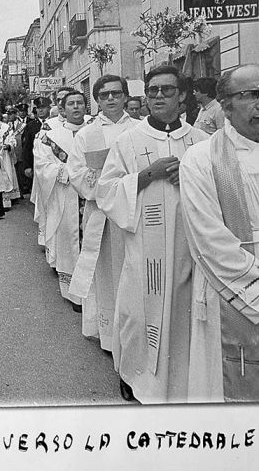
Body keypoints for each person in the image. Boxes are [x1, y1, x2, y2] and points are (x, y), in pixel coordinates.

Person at [97, 64, 209, 403]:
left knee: (184, 315)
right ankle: (133, 375)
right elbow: (106, 191)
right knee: (136, 312)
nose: (158, 96)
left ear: (183, 95)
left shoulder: (201, 141)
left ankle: (183, 381)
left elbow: (218, 190)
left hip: (192, 246)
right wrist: (149, 173)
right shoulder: (128, 140)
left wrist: (189, 178)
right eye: (152, 91)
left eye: (167, 90)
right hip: (145, 246)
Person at [179, 64, 259, 402]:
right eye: (250, 95)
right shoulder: (201, 160)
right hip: (233, 290)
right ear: (224, 106)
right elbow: (210, 241)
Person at [68, 75, 138, 351]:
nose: (111, 99)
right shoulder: (86, 134)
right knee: (108, 272)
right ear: (96, 100)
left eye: (116, 94)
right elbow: (76, 173)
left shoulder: (140, 128)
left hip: (135, 210)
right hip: (103, 215)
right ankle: (110, 337)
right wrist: (105, 182)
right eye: (104, 95)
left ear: (125, 96)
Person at [34, 91, 89, 312]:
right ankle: (75, 293)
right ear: (63, 109)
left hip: (92, 195)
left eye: (80, 103)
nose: (76, 107)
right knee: (70, 240)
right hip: (65, 195)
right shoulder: (51, 136)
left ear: (86, 107)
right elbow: (42, 165)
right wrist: (68, 171)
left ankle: (93, 294)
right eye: (71, 104)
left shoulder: (95, 132)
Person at [0, 112, 20, 209]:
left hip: (4, 156)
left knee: (6, 177)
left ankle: (6, 202)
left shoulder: (6, 128)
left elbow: (13, 140)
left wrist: (9, 145)